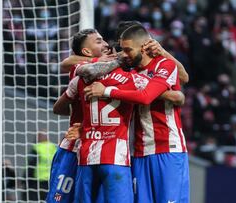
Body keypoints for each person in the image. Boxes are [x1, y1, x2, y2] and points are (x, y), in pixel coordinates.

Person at [84, 25, 189, 203]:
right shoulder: (129, 73)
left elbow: (147, 96)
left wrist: (107, 91)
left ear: (144, 47)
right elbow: (73, 64)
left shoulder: (165, 64)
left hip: (168, 149)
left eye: (127, 50)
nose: (123, 55)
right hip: (138, 153)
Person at [47, 28, 112, 203]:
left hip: (107, 150)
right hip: (75, 148)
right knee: (60, 198)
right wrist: (80, 121)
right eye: (98, 41)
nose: (106, 44)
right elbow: (67, 62)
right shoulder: (82, 68)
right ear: (86, 51)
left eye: (103, 40)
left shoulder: (117, 68)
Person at [25, 131, 57, 201]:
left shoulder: (37, 148)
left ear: (39, 137)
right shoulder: (54, 148)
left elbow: (31, 165)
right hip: (51, 182)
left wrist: (24, 180)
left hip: (37, 182)